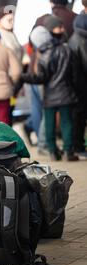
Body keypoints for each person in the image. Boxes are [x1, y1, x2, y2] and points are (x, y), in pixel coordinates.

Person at [21, 26, 79, 162]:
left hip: (50, 96)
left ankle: (53, 152)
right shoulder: (66, 49)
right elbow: (75, 74)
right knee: (67, 123)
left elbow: (41, 78)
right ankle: (68, 152)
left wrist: (24, 76)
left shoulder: (43, 56)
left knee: (49, 124)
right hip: (66, 94)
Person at [0, 5, 24, 126]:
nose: (12, 23)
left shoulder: (11, 34)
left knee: (9, 110)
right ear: (0, 20)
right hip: (5, 80)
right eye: (9, 20)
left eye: (13, 20)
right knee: (4, 113)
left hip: (13, 80)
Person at [68, 1, 87, 159]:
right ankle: (79, 147)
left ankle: (79, 146)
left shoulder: (78, 33)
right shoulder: (82, 37)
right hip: (81, 84)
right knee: (79, 115)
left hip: (79, 83)